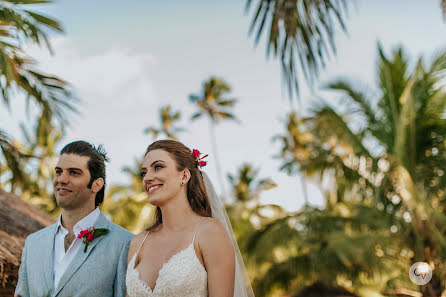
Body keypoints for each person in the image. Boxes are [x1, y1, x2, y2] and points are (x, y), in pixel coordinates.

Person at [125, 139, 255, 297]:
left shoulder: (209, 232)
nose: (147, 178)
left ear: (184, 175)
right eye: (144, 173)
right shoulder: (137, 243)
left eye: (157, 167)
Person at [15, 141, 133, 297]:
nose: (62, 179)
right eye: (59, 171)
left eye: (74, 172)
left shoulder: (125, 243)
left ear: (96, 185)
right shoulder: (33, 243)